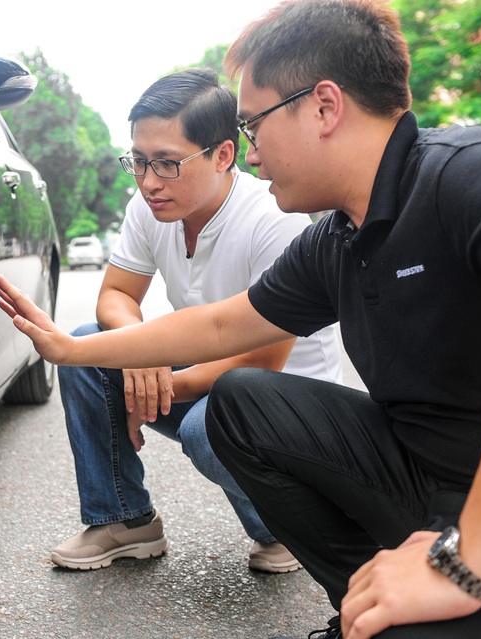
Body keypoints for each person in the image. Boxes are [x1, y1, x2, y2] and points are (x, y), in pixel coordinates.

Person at [0, 0, 481, 637]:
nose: (253, 155)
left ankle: (443, 586)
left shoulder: (469, 172)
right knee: (241, 402)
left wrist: (467, 562)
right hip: (421, 475)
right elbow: (219, 328)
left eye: (255, 127)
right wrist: (70, 349)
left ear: (323, 106)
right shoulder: (337, 237)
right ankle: (367, 609)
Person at [51, 68, 343, 574]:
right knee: (87, 349)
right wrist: (137, 348)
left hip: (285, 403)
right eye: (138, 162)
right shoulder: (150, 207)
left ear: (223, 154)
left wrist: (153, 380)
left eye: (165, 164)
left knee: (207, 426)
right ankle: (124, 520)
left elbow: (258, 360)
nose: (147, 182)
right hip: (205, 375)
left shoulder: (274, 221)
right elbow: (117, 294)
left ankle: (293, 528)